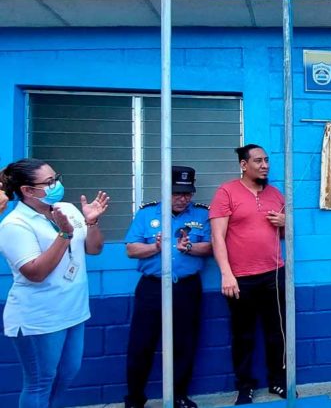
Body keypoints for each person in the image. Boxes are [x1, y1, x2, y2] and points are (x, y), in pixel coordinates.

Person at [0, 158, 108, 408]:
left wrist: (91, 222)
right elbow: (35, 272)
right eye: (49, 182)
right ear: (27, 190)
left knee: (66, 375)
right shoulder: (14, 225)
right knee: (40, 381)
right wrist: (65, 234)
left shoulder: (67, 209)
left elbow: (94, 249)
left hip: (74, 311)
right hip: (40, 318)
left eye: (56, 178)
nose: (56, 185)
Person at [122, 166, 212, 408]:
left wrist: (190, 247)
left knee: (184, 343)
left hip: (186, 288)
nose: (183, 199)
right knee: (141, 344)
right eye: (176, 193)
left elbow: (212, 247)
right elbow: (131, 249)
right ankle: (134, 399)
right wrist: (156, 248)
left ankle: (179, 395)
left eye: (187, 194)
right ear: (165, 190)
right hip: (152, 288)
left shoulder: (202, 215)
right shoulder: (146, 214)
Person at [209, 144, 289, 404]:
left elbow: (284, 236)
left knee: (277, 332)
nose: (265, 165)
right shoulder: (226, 192)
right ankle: (245, 386)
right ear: (244, 165)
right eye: (258, 161)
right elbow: (217, 237)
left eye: (267, 160)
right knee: (243, 335)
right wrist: (226, 274)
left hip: (274, 274)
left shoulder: (276, 194)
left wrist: (285, 224)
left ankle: (278, 381)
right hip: (240, 278)